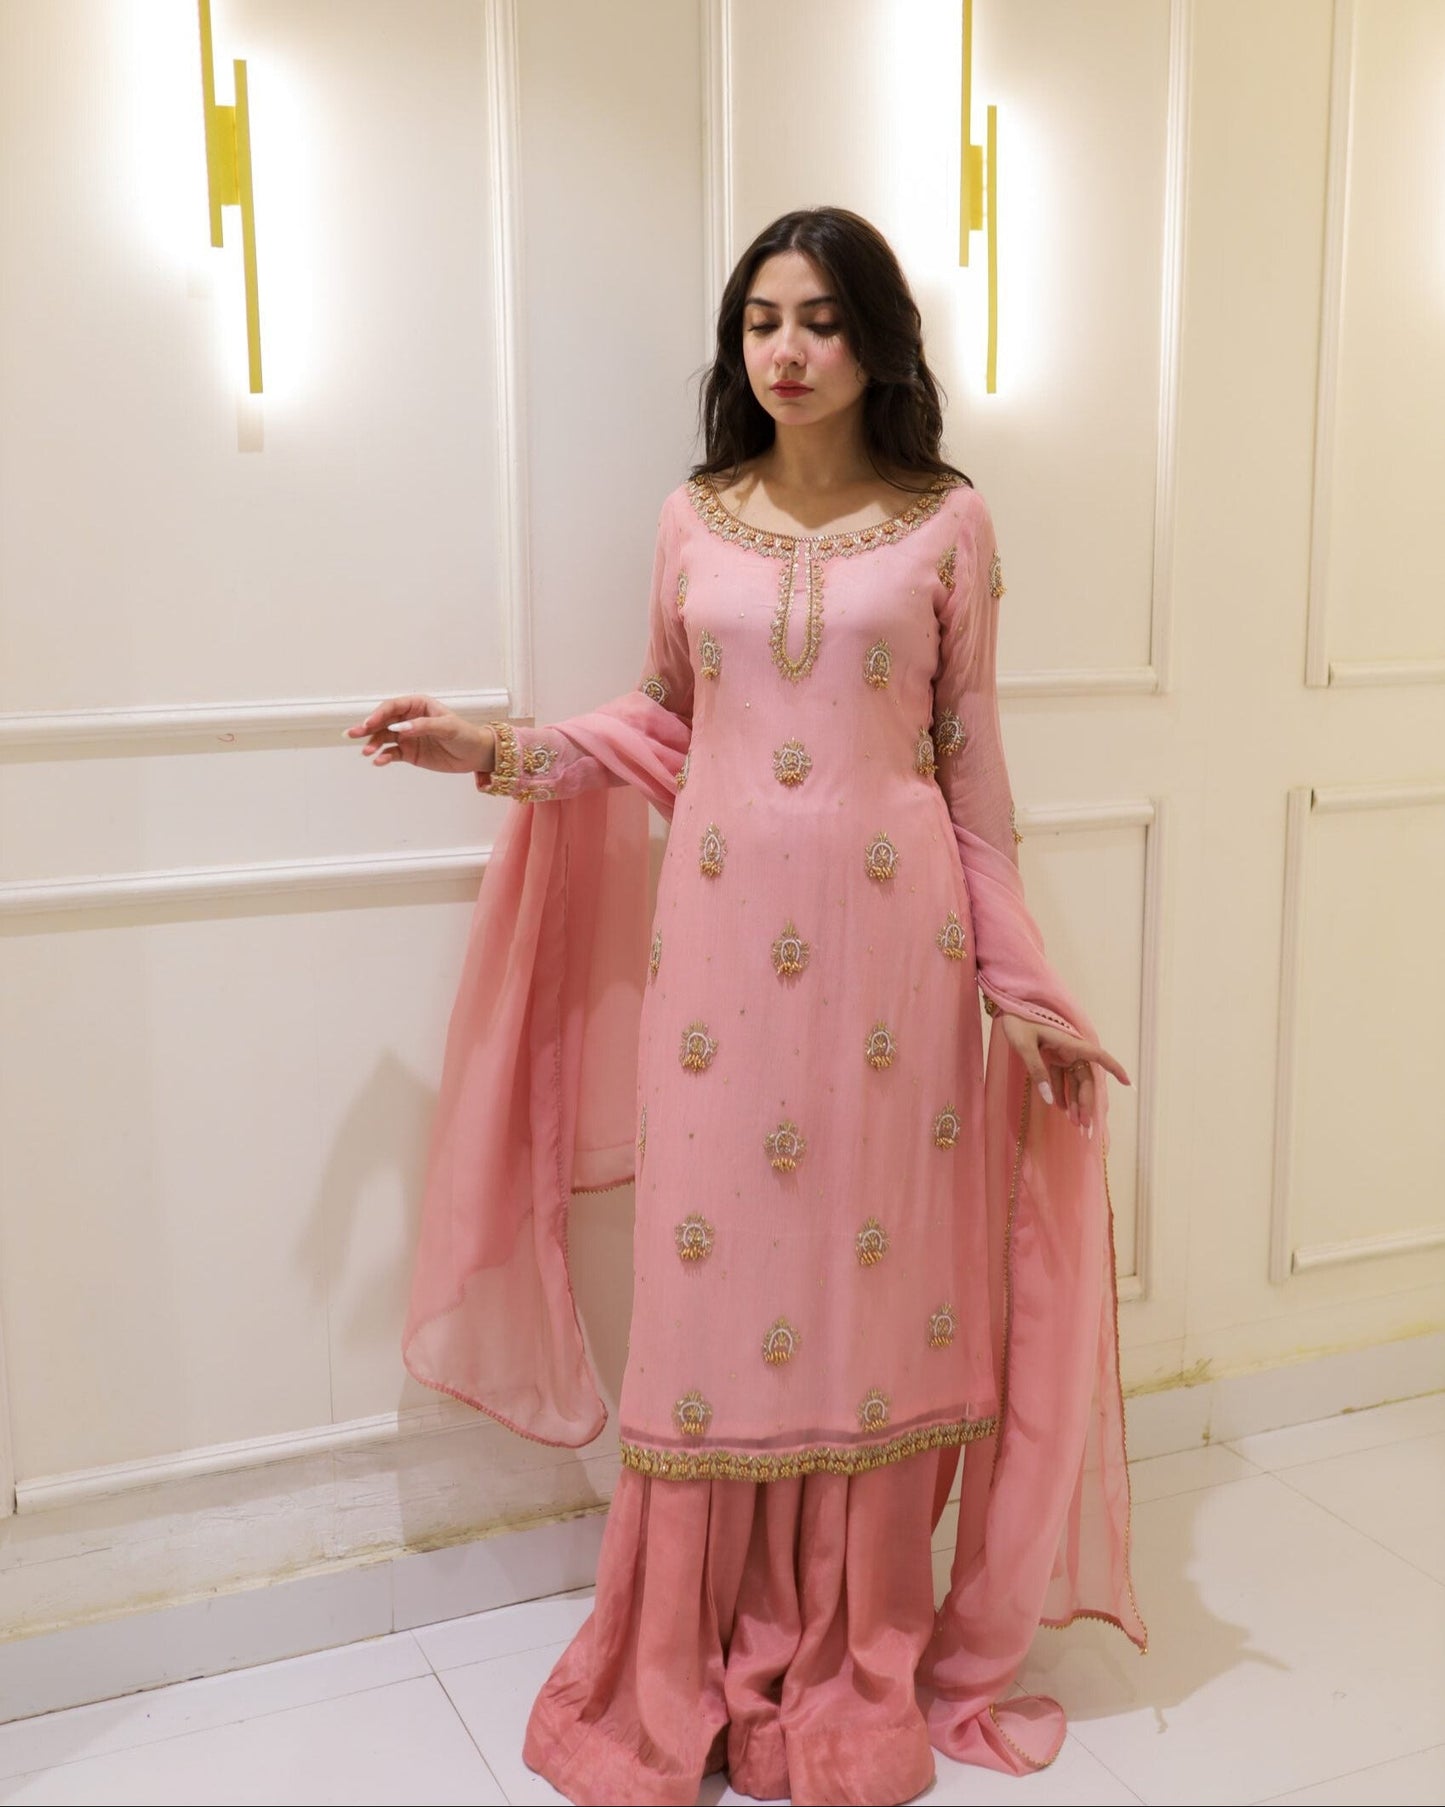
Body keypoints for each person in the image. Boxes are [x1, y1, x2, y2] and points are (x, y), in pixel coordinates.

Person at [347, 206, 1144, 1807]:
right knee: (713, 1290)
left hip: (894, 966)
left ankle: (854, 1643)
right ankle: (694, 1641)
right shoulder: (692, 517)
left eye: (820, 320)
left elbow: (971, 777)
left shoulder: (945, 523)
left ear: (875, 342)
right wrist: (488, 748)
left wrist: (1019, 985)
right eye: (761, 321)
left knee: (874, 1289)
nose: (785, 349)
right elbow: (659, 721)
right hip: (717, 967)